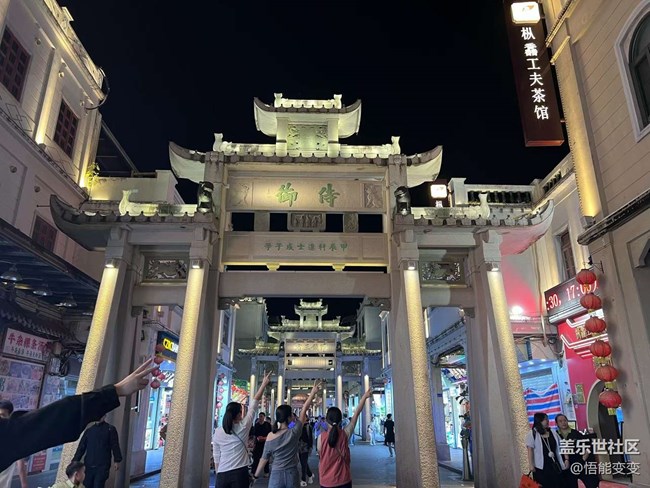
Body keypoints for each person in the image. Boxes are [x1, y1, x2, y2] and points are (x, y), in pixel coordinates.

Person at [0, 358, 156, 472]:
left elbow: (38, 425)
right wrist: (115, 391)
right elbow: (39, 425)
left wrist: (114, 391)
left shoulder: (110, 429)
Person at [252, 381, 321, 488]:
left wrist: (255, 476)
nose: (294, 417)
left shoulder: (270, 436)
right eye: (292, 415)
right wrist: (312, 393)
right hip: (292, 474)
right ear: (289, 417)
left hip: (276, 474)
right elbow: (304, 409)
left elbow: (264, 458)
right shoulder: (294, 432)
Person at [212, 371, 271, 488]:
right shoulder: (244, 426)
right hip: (239, 473)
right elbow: (254, 403)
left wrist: (219, 473)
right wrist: (264, 384)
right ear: (239, 414)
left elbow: (216, 455)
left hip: (222, 474)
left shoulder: (217, 432)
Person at [317, 389, 372, 488]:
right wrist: (364, 397)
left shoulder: (321, 437)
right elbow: (356, 413)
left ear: (326, 420)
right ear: (340, 420)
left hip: (326, 481)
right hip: (344, 480)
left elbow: (320, 456)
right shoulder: (345, 434)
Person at [72, 414, 122, 487]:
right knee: (87, 485)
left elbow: (115, 445)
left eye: (101, 415)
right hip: (88, 465)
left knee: (98, 485)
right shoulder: (89, 431)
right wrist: (75, 461)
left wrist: (117, 460)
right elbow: (81, 447)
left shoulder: (110, 429)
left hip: (103, 465)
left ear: (105, 416)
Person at [555, 414, 599, 488]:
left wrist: (583, 459)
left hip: (580, 462)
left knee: (591, 483)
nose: (563, 422)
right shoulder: (555, 435)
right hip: (567, 466)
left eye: (565, 420)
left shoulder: (575, 433)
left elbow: (588, 446)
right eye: (560, 421)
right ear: (557, 423)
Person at [526, 412, 566, 487]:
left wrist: (566, 459)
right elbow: (530, 450)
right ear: (539, 421)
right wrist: (531, 465)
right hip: (541, 467)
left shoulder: (553, 432)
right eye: (545, 419)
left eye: (547, 419)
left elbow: (562, 445)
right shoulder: (532, 433)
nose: (547, 421)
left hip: (555, 465)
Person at [0, 400, 28, 488]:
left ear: (10, 416)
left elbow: (21, 465)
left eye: (2, 415)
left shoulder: (14, 437)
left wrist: (24, 485)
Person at [298, 419, 315, 486]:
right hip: (299, 447)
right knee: (303, 463)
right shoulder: (298, 425)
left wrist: (310, 447)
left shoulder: (308, 426)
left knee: (303, 463)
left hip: (305, 448)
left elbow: (310, 438)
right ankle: (310, 475)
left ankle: (303, 480)